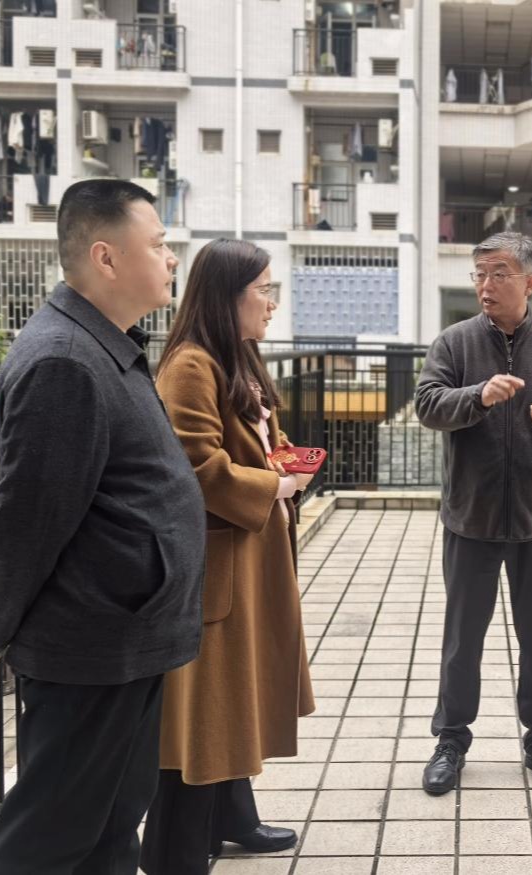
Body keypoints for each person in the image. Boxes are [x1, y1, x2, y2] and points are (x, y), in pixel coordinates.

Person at [0, 178, 204, 875]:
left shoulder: (104, 345)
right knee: (47, 837)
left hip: (127, 630)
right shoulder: (64, 360)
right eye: (158, 244)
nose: (171, 258)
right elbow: (28, 517)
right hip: (90, 641)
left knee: (109, 826)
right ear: (106, 257)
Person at [139, 239, 317, 873]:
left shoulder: (235, 355)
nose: (272, 303)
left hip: (247, 555)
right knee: (206, 711)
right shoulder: (191, 364)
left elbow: (256, 441)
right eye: (263, 290)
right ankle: (175, 853)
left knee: (232, 699)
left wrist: (284, 465)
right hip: (218, 567)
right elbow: (195, 467)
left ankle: (235, 817)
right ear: (227, 296)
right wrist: (277, 485)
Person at [414, 232, 532, 796]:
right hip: (470, 517)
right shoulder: (454, 343)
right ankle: (451, 740)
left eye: (498, 273)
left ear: (529, 282)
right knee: (462, 641)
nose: (485, 285)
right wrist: (479, 396)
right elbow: (427, 405)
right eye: (479, 274)